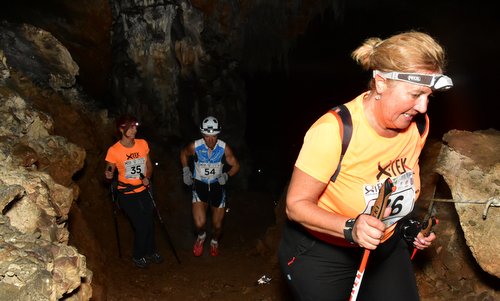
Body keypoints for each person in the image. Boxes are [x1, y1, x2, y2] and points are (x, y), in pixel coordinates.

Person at [278, 31, 453, 301]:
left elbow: (399, 184)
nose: (423, 106)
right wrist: (351, 227)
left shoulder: (418, 125)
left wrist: (408, 226)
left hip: (383, 247)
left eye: (429, 96)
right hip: (322, 253)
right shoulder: (334, 130)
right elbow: (296, 205)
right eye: (416, 94)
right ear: (381, 83)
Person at [104, 114, 163, 268]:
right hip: (127, 194)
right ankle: (138, 255)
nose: (134, 129)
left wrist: (148, 177)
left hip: (144, 189)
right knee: (142, 225)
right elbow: (109, 169)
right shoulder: (114, 150)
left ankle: (151, 251)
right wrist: (109, 174)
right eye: (130, 126)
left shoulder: (142, 144)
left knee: (150, 222)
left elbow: (149, 166)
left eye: (135, 126)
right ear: (121, 129)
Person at [180, 116, 240, 257]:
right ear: (203, 134)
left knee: (217, 226)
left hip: (217, 188)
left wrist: (227, 175)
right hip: (199, 186)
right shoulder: (195, 146)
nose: (210, 140)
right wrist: (186, 171)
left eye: (213, 136)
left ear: (217, 134)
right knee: (199, 224)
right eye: (207, 136)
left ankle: (214, 241)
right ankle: (201, 236)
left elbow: (236, 165)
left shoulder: (224, 148)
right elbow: (183, 154)